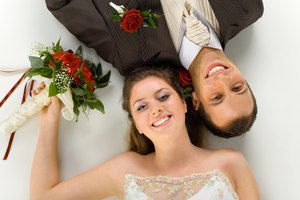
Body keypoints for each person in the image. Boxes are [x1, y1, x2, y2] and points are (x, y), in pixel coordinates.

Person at [30, 66, 260, 199]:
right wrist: (49, 123)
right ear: (137, 125)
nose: (156, 109)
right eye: (142, 106)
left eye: (163, 97)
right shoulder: (126, 170)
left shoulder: (231, 163)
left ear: (184, 103)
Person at [44, 0, 263, 138]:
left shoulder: (132, 55)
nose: (223, 80)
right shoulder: (247, 8)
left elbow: (62, 4)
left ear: (195, 101)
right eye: (237, 87)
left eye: (216, 97)